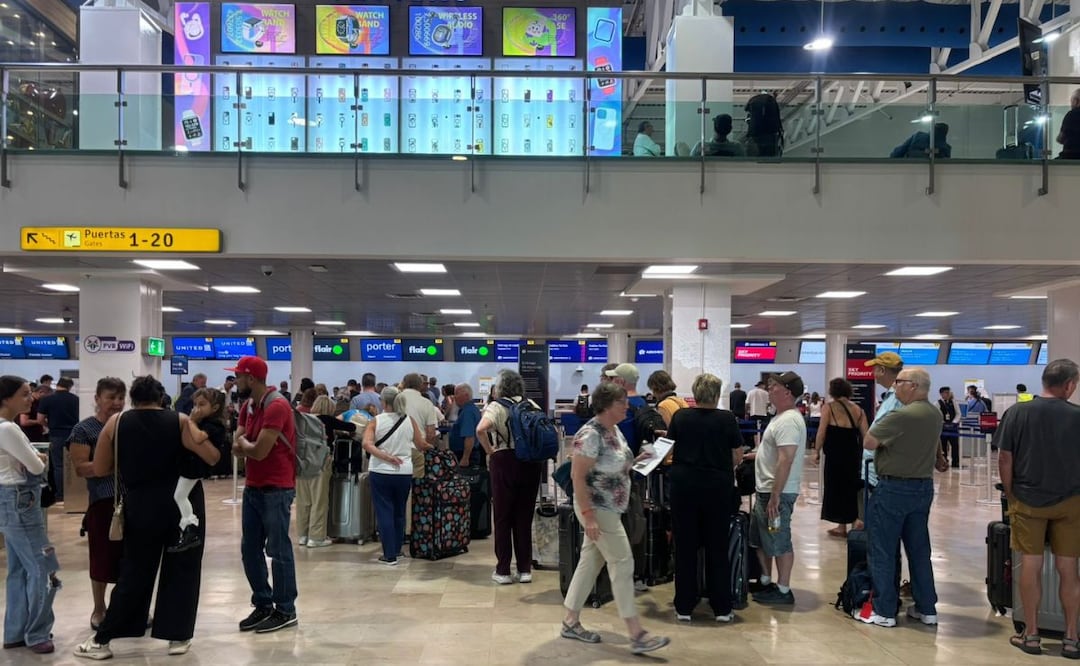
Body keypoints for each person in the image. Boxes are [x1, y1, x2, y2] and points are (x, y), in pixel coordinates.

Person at [74, 375, 221, 660]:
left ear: (132, 399)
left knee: (134, 571)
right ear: (160, 398)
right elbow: (212, 457)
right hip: (183, 506)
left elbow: (101, 468)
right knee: (183, 569)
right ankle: (178, 637)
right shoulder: (179, 421)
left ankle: (104, 640)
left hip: (141, 504)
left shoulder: (116, 423)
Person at [561, 382, 670, 655]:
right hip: (598, 510)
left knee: (590, 561)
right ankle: (637, 633)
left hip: (610, 508)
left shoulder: (614, 430)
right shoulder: (590, 435)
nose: (627, 406)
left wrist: (640, 459)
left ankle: (570, 621)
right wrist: (589, 517)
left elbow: (616, 465)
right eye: (623, 402)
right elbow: (577, 477)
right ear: (608, 405)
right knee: (622, 562)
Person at [997, 359, 1080, 658]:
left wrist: (1011, 494)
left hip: (1027, 499)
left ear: (1044, 380)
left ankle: (1031, 635)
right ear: (1069, 385)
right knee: (1068, 569)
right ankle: (1071, 638)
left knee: (1030, 565)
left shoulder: (1017, 412)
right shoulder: (1077, 415)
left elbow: (1005, 458)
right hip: (1071, 502)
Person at [860, 368, 947, 628]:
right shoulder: (935, 414)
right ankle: (926, 607)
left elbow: (869, 442)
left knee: (883, 549)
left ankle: (884, 610)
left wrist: (888, 443)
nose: (895, 386)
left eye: (899, 382)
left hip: (893, 488)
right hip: (923, 487)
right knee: (919, 550)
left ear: (913, 386)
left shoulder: (901, 415)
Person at [229, 356, 299, 635]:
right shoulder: (248, 406)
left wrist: (245, 443)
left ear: (251, 378)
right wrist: (246, 444)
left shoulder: (277, 406)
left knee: (278, 550)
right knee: (249, 549)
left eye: (238, 376)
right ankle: (263, 603)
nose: (235, 381)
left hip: (277, 488)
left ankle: (286, 609)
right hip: (253, 487)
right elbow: (237, 446)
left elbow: (257, 451)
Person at [666, 373, 743, 623]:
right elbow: (737, 455)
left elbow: (667, 447)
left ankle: (684, 606)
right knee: (717, 546)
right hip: (717, 488)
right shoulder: (727, 419)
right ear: (717, 394)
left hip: (683, 487)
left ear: (695, 393)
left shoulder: (681, 416)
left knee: (685, 546)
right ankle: (721, 607)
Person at [0, 375, 58, 654]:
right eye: (24, 394)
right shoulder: (8, 428)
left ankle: (15, 631)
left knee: (19, 569)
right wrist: (39, 460)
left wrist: (35, 459)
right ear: (6, 398)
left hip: (10, 500)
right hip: (21, 500)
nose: (31, 398)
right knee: (43, 567)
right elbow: (36, 466)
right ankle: (37, 632)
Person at [67, 377, 127, 631]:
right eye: (111, 397)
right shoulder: (84, 430)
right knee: (101, 557)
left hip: (133, 500)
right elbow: (81, 468)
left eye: (121, 398)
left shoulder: (128, 425)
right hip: (103, 502)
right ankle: (99, 608)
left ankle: (126, 608)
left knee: (130, 559)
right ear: (97, 399)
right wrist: (112, 464)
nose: (116, 403)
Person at [476, 370, 544, 585]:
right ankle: (525, 570)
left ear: (500, 388)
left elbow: (480, 429)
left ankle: (503, 570)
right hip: (531, 463)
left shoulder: (496, 406)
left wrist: (490, 451)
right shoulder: (531, 405)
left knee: (503, 517)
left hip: (504, 460)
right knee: (524, 517)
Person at [750, 371, 807, 606]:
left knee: (779, 539)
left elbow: (786, 459)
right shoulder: (779, 417)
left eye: (774, 386)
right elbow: (774, 453)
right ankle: (766, 579)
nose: (769, 389)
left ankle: (784, 589)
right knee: (761, 538)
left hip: (778, 493)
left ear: (787, 392)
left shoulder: (789, 421)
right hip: (766, 489)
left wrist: (775, 495)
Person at [362, 387, 426, 566]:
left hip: (381, 471)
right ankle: (397, 550)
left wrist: (386, 456)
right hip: (404, 472)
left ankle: (389, 555)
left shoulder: (376, 421)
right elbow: (420, 444)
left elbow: (366, 444)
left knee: (384, 512)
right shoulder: (409, 420)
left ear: (383, 402)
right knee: (399, 511)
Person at [171, 388, 231, 554]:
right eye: (195, 404)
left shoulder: (214, 425)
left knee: (179, 495)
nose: (197, 408)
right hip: (189, 464)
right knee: (180, 495)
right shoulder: (204, 421)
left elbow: (198, 438)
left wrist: (191, 421)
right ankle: (188, 527)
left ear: (215, 407)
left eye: (202, 404)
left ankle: (190, 526)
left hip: (195, 467)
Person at [813, 378, 867, 538]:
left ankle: (842, 524)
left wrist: (816, 451)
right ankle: (852, 521)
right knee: (850, 487)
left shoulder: (829, 407)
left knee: (835, 487)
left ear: (833, 391)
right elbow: (866, 434)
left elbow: (821, 431)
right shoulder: (859, 410)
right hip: (852, 454)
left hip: (834, 455)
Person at [298, 395, 355, 549]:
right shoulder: (327, 420)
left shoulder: (303, 419)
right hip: (321, 462)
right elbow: (351, 427)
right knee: (319, 500)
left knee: (304, 500)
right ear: (329, 408)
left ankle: (303, 535)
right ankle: (316, 537)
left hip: (302, 461)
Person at [862, 351, 904, 523]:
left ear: (882, 370)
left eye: (875, 369)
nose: (873, 374)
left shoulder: (898, 399)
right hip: (875, 473)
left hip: (882, 475)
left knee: (881, 526)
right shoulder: (890, 398)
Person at [37, 376, 78, 503]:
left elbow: (40, 419)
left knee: (59, 466)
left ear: (58, 384)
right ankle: (75, 493)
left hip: (56, 435)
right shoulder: (76, 399)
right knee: (74, 464)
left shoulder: (47, 399)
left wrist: (49, 425)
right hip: (74, 435)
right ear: (70, 386)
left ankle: (60, 495)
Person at [450, 383, 482, 468]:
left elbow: (469, 437)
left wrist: (465, 458)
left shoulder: (468, 412)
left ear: (466, 395)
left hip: (466, 455)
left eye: (456, 393)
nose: (454, 397)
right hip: (468, 453)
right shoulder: (471, 409)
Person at [937, 386, 961, 467]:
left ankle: (955, 462)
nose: (948, 394)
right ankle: (944, 462)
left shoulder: (954, 402)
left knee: (955, 445)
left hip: (953, 427)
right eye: (946, 393)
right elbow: (936, 415)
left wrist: (954, 422)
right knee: (943, 445)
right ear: (941, 394)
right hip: (943, 428)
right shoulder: (937, 403)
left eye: (948, 392)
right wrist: (942, 422)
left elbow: (958, 413)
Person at [1056, 88, 1080, 159]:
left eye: (1071, 101)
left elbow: (1060, 139)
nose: (1071, 104)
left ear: (1076, 101)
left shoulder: (1072, 114)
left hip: (1070, 156)